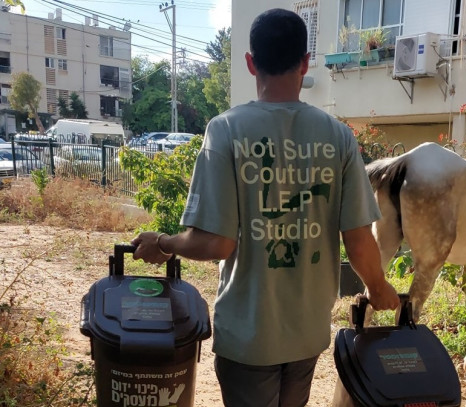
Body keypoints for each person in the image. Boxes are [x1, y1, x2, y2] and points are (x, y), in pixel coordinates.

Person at [131, 7, 400, 407]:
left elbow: (216, 244)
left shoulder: (225, 130)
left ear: (250, 63)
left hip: (248, 337)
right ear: (306, 63)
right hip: (307, 334)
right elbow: (359, 239)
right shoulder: (339, 138)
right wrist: (380, 289)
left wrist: (165, 241)